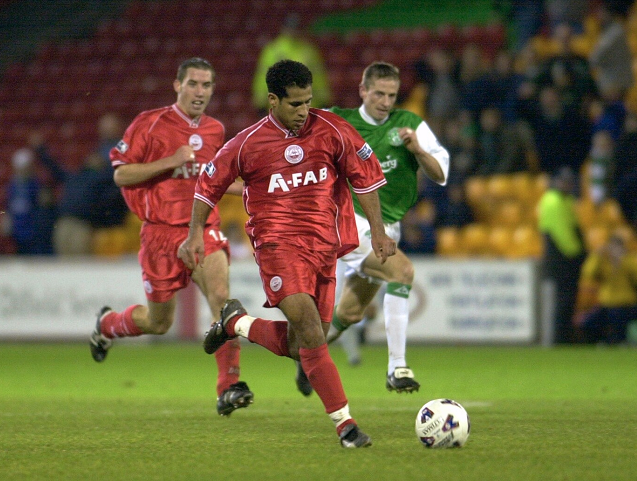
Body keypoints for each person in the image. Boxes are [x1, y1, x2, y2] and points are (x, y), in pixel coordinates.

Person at [178, 59, 396, 448]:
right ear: (273, 100)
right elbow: (207, 184)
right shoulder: (246, 143)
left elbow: (366, 179)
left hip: (324, 248)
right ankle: (346, 426)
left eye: (308, 101)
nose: (303, 111)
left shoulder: (332, 130)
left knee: (305, 344)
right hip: (277, 246)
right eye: (295, 104)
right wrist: (195, 233)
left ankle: (237, 324)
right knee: (312, 331)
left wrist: (377, 232)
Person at [89, 57, 253, 416]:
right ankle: (108, 324)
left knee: (222, 299)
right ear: (177, 85)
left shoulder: (214, 130)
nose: (200, 92)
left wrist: (251, 190)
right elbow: (121, 175)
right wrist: (169, 161)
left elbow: (211, 180)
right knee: (159, 322)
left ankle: (230, 387)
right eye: (193, 84)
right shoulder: (149, 124)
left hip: (202, 229)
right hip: (160, 234)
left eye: (206, 85)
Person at [296, 61, 449, 396]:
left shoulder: (410, 125)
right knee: (402, 272)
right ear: (363, 91)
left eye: (392, 95)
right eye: (378, 93)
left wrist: (418, 151)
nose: (385, 101)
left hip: (387, 228)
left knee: (349, 312)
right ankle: (397, 367)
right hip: (347, 223)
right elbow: (295, 133)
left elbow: (440, 175)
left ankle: (306, 356)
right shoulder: (339, 121)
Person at [538, 166, 586, 343]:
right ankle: (560, 338)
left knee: (567, 299)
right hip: (562, 259)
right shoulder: (553, 201)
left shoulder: (564, 200)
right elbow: (562, 233)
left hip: (565, 258)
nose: (567, 185)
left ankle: (563, 336)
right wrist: (578, 254)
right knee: (563, 300)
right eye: (564, 181)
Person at [251, 13, 330, 116]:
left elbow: (318, 77)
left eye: (296, 27)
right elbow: (263, 77)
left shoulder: (309, 51)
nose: (293, 30)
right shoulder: (272, 51)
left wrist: (324, 99)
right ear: (283, 28)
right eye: (290, 27)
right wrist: (260, 102)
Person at [576, 234, 637, 344]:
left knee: (618, 314)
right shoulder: (603, 262)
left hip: (627, 306)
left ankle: (618, 341)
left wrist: (622, 263)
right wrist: (596, 255)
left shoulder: (629, 261)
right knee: (587, 323)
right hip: (606, 306)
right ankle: (603, 341)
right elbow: (588, 273)